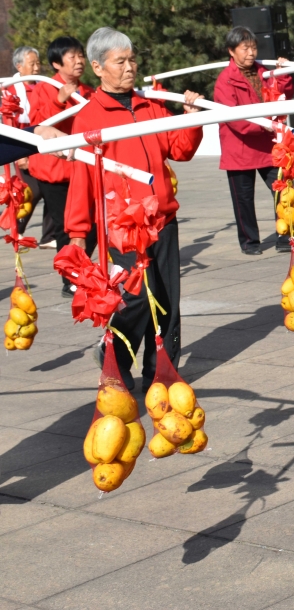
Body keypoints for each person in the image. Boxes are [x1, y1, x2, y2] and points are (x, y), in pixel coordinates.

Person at [66, 27, 204, 392]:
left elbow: (180, 149)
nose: (130, 67)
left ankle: (161, 375)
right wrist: (78, 235)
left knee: (168, 303)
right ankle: (116, 362)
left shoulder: (151, 105)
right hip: (124, 228)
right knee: (135, 300)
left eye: (132, 59)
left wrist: (190, 118)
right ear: (98, 67)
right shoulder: (90, 118)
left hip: (163, 221)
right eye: (120, 61)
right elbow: (82, 180)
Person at [213, 26, 294, 254]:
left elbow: (283, 96)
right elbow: (237, 122)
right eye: (245, 48)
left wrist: (283, 75)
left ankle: (286, 236)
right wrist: (270, 123)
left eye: (254, 47)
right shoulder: (225, 81)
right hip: (240, 149)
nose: (251, 52)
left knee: (284, 190)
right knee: (243, 201)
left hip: (268, 146)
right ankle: (250, 242)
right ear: (231, 51)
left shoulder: (264, 72)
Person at [27, 36, 95, 293]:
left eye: (81, 55)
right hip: (54, 171)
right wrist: (59, 100)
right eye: (72, 56)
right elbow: (37, 124)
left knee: (93, 224)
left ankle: (82, 267)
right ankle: (72, 280)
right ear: (57, 63)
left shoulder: (88, 90)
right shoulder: (43, 88)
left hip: (83, 167)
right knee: (65, 226)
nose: (79, 61)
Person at [10, 45, 55, 244]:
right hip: (21, 145)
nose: (37, 68)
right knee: (32, 190)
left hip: (42, 143)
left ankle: (48, 235)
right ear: (19, 66)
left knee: (49, 187)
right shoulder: (10, 90)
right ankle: (15, 227)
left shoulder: (43, 86)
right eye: (32, 63)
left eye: (38, 63)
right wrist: (19, 154)